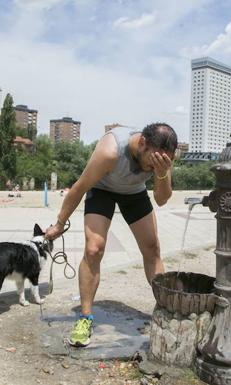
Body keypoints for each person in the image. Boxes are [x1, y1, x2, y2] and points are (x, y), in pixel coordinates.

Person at [44, 122, 177, 347]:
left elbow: (162, 200)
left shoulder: (161, 156)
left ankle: (166, 312)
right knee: (94, 249)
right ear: (142, 142)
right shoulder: (111, 150)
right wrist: (59, 224)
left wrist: (162, 173)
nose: (152, 166)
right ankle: (85, 318)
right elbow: (79, 188)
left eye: (161, 162)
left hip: (134, 193)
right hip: (102, 189)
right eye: (151, 161)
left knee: (152, 248)